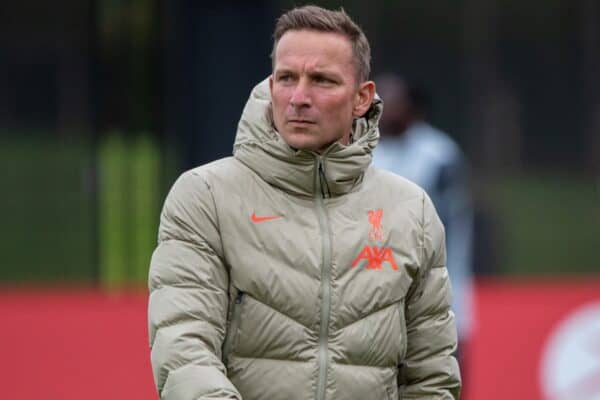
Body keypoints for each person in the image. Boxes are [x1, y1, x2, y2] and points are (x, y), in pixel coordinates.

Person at [148, 6, 460, 400]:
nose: (298, 97)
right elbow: (184, 351)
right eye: (287, 78)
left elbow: (431, 379)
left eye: (322, 81)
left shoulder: (411, 210)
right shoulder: (205, 195)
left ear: (363, 98)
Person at [372, 74, 474, 370]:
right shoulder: (363, 150)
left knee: (439, 374)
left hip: (439, 285)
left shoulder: (439, 156)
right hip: (377, 289)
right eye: (380, 99)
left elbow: (442, 226)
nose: (384, 107)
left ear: (412, 108)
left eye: (393, 101)